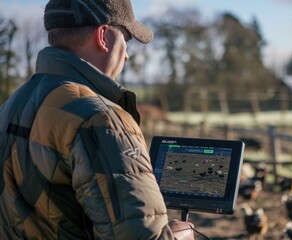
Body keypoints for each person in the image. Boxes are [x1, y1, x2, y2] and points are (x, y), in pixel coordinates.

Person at [0, 0, 194, 239]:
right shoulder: (102, 120)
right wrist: (179, 235)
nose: (127, 57)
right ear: (103, 36)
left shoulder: (12, 104)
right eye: (126, 39)